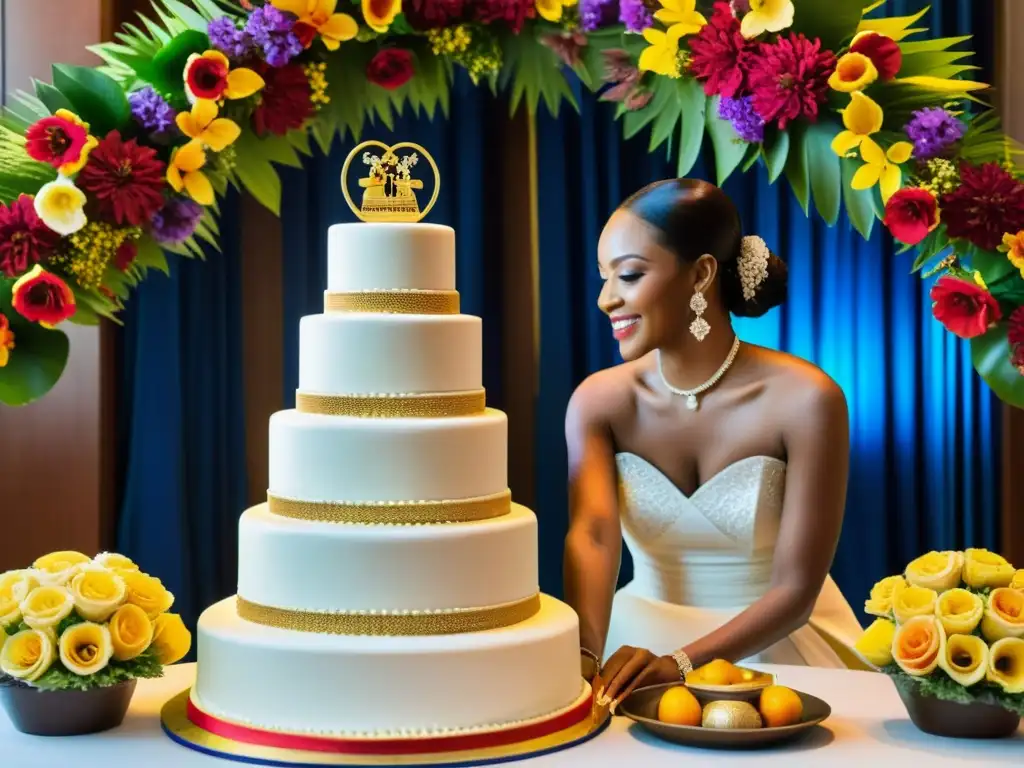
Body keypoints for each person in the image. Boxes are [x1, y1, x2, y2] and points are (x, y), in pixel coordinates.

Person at [563, 178, 866, 707]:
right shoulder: (599, 402)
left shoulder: (808, 399)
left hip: (776, 646)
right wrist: (586, 665)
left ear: (701, 274)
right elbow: (592, 536)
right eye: (604, 277)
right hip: (632, 649)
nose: (606, 298)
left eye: (629, 274)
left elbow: (796, 592)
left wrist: (680, 664)